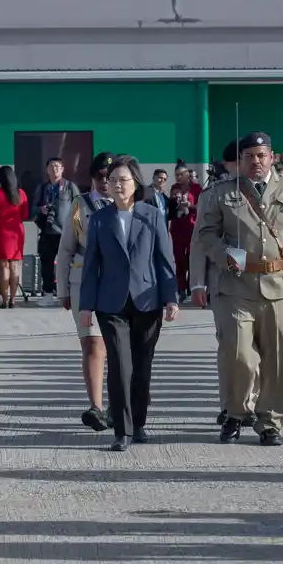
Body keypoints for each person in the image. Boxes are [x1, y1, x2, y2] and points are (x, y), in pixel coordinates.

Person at [198, 131, 283, 447]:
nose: (255, 161)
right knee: (239, 356)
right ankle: (236, 413)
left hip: (280, 286)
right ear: (240, 160)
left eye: (261, 155)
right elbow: (206, 234)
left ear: (273, 157)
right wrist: (227, 255)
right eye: (249, 156)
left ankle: (270, 422)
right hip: (236, 285)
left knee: (277, 359)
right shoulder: (222, 193)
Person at [78, 155, 179, 452]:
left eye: (123, 180)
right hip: (111, 304)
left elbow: (165, 260)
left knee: (142, 366)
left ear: (135, 183)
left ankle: (139, 423)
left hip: (147, 300)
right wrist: (86, 305)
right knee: (120, 365)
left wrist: (171, 297)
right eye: (112, 180)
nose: (117, 185)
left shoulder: (152, 215)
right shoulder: (99, 220)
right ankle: (121, 431)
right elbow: (91, 265)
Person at [192, 141, 260, 427]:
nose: (240, 167)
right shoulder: (213, 195)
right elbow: (200, 240)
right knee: (230, 346)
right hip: (223, 279)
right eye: (236, 162)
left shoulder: (263, 192)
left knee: (257, 348)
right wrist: (197, 283)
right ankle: (228, 403)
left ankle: (251, 401)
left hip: (262, 280)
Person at [56, 152, 114, 432]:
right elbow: (66, 249)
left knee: (119, 346)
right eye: (100, 177)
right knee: (93, 343)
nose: (105, 182)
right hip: (85, 282)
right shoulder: (80, 206)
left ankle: (119, 403)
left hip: (118, 284)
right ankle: (96, 406)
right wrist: (63, 288)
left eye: (110, 177)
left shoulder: (129, 206)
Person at [32, 157, 80, 306]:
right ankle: (47, 294)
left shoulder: (69, 186)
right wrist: (41, 210)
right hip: (47, 231)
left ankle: (69, 294)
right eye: (52, 166)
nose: (55, 169)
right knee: (46, 263)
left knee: (69, 264)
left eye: (57, 166)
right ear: (47, 170)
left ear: (63, 169)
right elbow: (33, 208)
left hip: (66, 232)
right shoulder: (42, 188)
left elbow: (79, 205)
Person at [0, 165, 29, 308]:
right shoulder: (21, 193)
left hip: (1, 233)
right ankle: (13, 300)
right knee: (15, 266)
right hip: (17, 233)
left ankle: (4, 301)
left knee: (3, 266)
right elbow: (25, 215)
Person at [168, 182, 197, 302]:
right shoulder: (171, 203)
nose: (177, 196)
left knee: (191, 260)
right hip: (177, 234)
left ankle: (190, 288)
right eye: (174, 194)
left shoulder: (190, 197)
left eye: (178, 194)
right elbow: (170, 215)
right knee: (179, 261)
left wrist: (189, 206)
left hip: (190, 233)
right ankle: (181, 289)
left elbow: (198, 209)